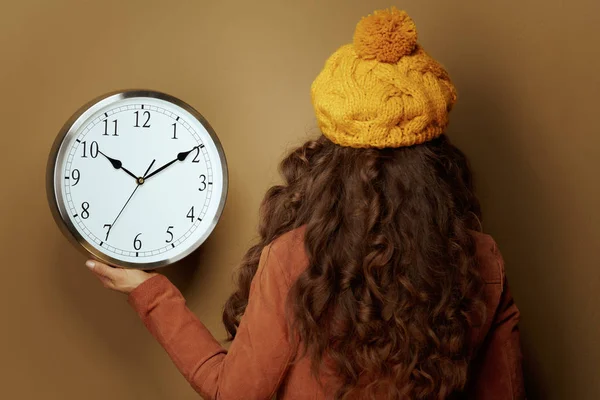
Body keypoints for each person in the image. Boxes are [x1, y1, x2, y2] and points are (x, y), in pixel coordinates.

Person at [86, 7, 525, 400]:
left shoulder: (292, 259)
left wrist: (149, 292)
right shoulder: (481, 259)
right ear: (437, 159)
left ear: (330, 156)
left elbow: (232, 394)